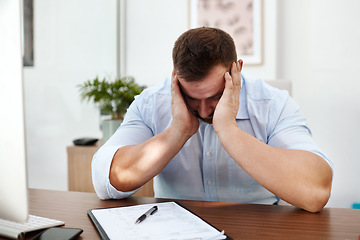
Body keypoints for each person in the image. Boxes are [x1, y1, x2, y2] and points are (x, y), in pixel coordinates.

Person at [92, 27, 333, 212]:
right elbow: (106, 182)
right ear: (176, 76)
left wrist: (229, 131)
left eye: (215, 96)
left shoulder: (273, 104)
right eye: (192, 98)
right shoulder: (151, 103)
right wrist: (177, 131)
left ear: (236, 70)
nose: (205, 111)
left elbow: (315, 191)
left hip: (257, 228)